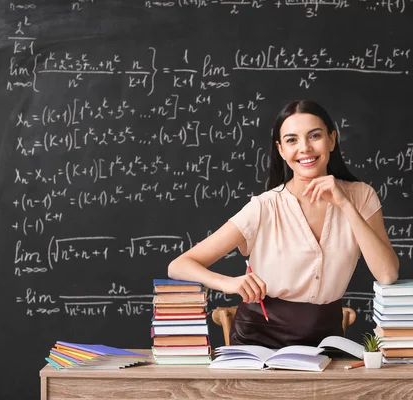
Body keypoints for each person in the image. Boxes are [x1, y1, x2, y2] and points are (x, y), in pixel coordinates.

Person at [168, 100, 399, 348]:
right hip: (257, 341)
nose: (305, 148)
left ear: (332, 140)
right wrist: (230, 283)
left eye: (315, 136)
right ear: (280, 149)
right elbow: (179, 265)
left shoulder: (361, 197)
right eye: (292, 140)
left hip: (326, 339)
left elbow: (387, 274)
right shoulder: (264, 207)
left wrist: (345, 205)